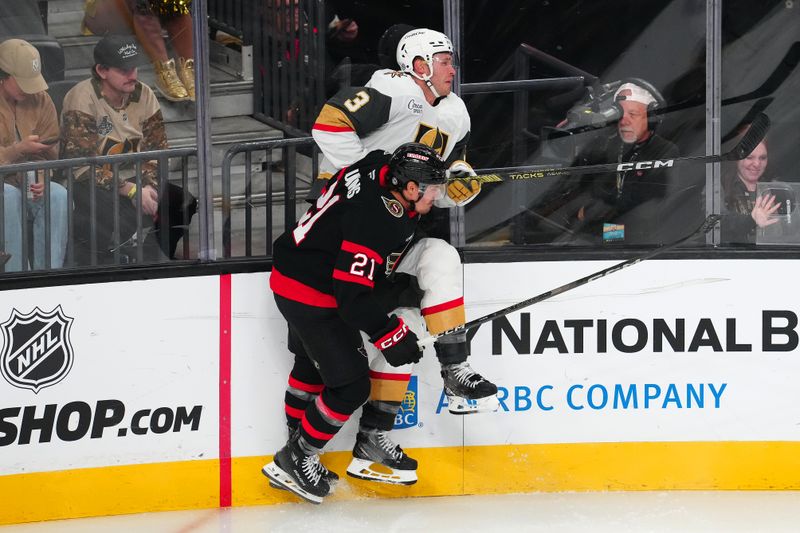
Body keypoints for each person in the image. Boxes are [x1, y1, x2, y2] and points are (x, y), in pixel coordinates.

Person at [309, 27, 499, 486]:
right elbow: (327, 124)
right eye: (444, 59)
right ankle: (301, 451)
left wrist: (458, 188)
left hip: (394, 236)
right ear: (417, 65)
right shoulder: (389, 90)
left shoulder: (456, 113)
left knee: (432, 276)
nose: (453, 67)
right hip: (347, 236)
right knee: (328, 362)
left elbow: (445, 175)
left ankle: (448, 372)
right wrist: (370, 181)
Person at [263, 142, 447, 504]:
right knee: (350, 386)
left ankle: (295, 451)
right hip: (313, 294)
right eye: (433, 190)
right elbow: (352, 297)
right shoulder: (379, 220)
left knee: (310, 368)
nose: (436, 198)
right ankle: (296, 458)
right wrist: (391, 337)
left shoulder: (377, 162)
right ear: (409, 189)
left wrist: (440, 174)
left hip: (291, 271)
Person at [60, 34, 196, 264]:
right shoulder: (82, 98)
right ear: (102, 71)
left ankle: (150, 259)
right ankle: (100, 264)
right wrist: (131, 191)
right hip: (90, 181)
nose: (133, 76)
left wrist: (147, 187)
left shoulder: (144, 94)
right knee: (108, 213)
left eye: (134, 68)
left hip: (136, 178)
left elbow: (158, 149)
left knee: (183, 202)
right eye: (124, 70)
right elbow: (82, 164)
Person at [570, 78, 680, 245]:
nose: (624, 121)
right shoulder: (608, 146)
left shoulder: (665, 152)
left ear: (651, 117)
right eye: (620, 114)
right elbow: (582, 191)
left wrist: (597, 229)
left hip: (636, 242)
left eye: (633, 114)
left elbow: (644, 218)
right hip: (596, 235)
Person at [0, 38, 69, 272]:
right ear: (3, 75)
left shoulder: (41, 98)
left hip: (26, 179)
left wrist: (41, 174)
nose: (29, 88)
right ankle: (17, 278)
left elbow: (51, 148)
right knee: (8, 197)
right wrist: (17, 150)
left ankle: (48, 276)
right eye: (21, 81)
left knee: (58, 195)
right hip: (4, 186)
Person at [81, 0, 195, 102]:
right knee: (142, 3)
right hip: (105, 10)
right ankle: (164, 71)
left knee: (176, 3)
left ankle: (188, 69)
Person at [720, 132, 778, 244]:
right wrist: (751, 220)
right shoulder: (719, 188)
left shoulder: (777, 188)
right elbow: (716, 224)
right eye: (749, 157)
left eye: (762, 158)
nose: (757, 164)